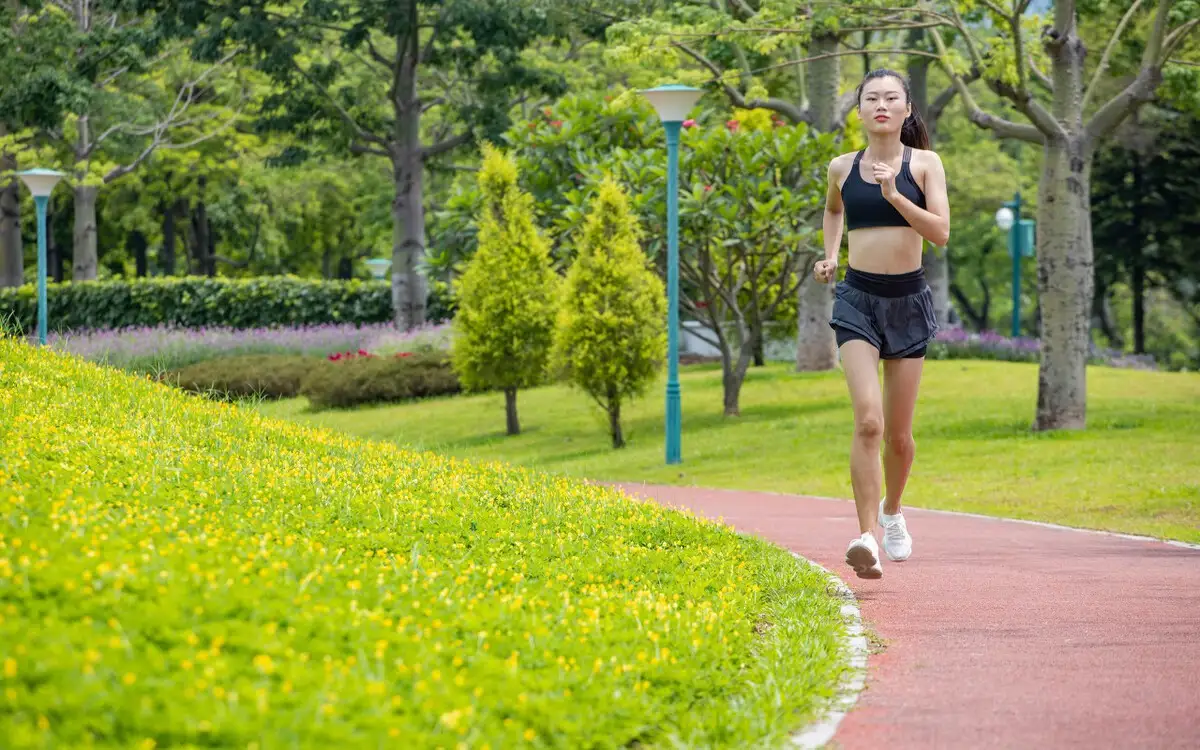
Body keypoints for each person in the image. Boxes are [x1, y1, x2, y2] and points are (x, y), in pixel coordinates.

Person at [812, 68, 950, 580]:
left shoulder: (926, 165)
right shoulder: (841, 167)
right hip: (858, 299)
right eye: (872, 98)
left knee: (899, 436)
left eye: (892, 98)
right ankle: (866, 536)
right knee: (868, 421)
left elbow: (940, 233)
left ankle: (893, 511)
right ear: (860, 110)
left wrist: (894, 195)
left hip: (908, 301)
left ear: (907, 109)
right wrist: (829, 255)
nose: (882, 106)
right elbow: (833, 212)